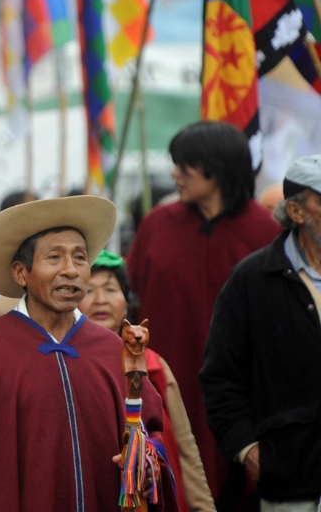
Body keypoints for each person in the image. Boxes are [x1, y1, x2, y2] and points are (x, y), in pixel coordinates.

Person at [0, 196, 177, 511]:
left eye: (80, 258)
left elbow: (152, 432)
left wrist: (146, 466)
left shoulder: (113, 351)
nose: (70, 270)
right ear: (21, 273)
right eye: (54, 257)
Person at [127, 122, 281, 498]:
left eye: (184, 165)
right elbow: (126, 300)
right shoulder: (158, 226)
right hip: (165, 390)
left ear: (215, 167)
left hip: (244, 401)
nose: (174, 174)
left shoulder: (265, 234)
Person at [201, 155, 321, 511]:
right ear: (296, 212)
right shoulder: (253, 280)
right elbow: (220, 378)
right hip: (288, 482)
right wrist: (249, 451)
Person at [81, 250, 215, 512]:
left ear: (127, 303)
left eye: (111, 289)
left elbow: (186, 451)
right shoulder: (68, 367)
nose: (100, 300)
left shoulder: (152, 366)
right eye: (88, 291)